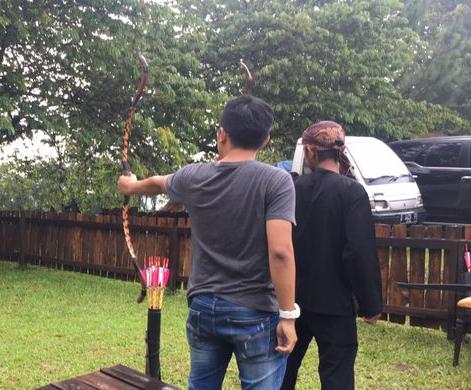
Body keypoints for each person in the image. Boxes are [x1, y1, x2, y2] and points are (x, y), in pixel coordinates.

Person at [118, 95, 299, 390]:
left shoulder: (195, 176)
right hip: (255, 313)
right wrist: (288, 317)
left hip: (204, 307)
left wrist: (130, 186)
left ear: (222, 134)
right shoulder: (276, 181)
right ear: (265, 140)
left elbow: (158, 183)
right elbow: (280, 252)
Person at [281, 121, 383, 390]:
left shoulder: (291, 189)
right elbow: (359, 253)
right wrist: (371, 306)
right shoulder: (352, 193)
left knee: (282, 373)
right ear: (341, 151)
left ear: (310, 152)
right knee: (337, 377)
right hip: (336, 305)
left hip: (292, 301)